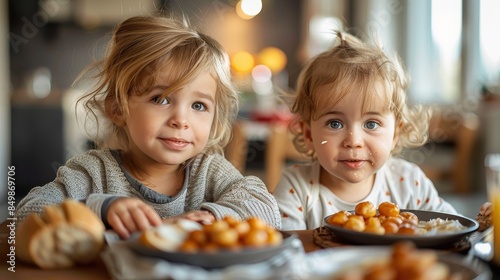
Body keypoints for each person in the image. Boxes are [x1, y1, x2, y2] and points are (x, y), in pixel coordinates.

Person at [15, 15, 281, 239]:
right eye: (161, 99)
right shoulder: (94, 172)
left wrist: (214, 216)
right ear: (118, 108)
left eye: (198, 106)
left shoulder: (207, 171)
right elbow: (25, 214)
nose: (181, 119)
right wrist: (101, 208)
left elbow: (268, 210)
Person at [273, 30, 491, 230]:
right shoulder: (296, 188)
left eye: (371, 124)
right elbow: (287, 257)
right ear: (309, 134)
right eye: (335, 124)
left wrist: (482, 225)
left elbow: (450, 231)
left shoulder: (409, 183)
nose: (354, 141)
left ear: (395, 133)